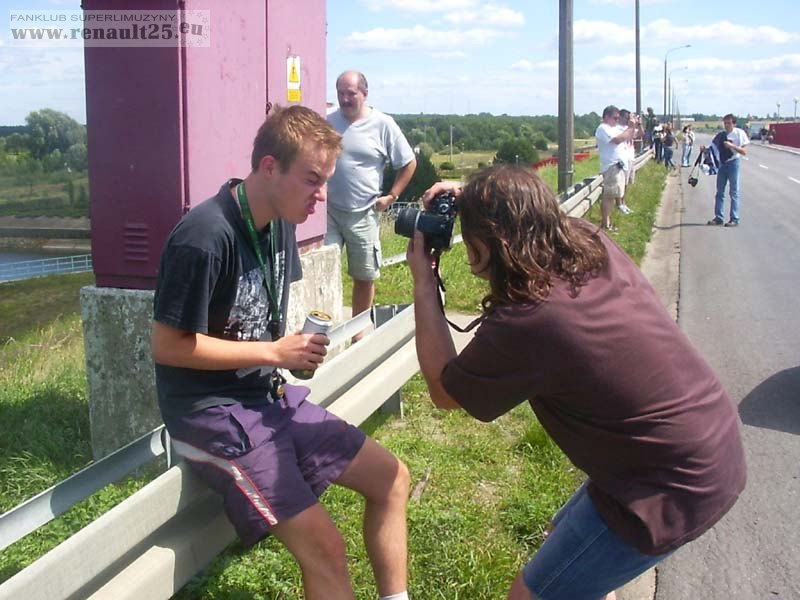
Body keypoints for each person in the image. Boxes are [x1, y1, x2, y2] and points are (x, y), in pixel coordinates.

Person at [407, 166, 746, 600]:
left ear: (489, 243)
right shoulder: (587, 241)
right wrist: (471, 194)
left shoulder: (531, 318)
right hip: (701, 437)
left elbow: (443, 391)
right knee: (560, 543)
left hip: (671, 485)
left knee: (531, 595)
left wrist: (423, 282)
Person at [151, 105, 410, 600]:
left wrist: (288, 353)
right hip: (212, 415)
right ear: (269, 167)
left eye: (326, 181)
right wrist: (273, 352)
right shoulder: (204, 237)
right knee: (327, 552)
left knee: (392, 479)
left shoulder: (279, 222)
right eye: (312, 180)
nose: (321, 196)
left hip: (264, 397)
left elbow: (255, 316)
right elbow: (167, 346)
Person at [326, 71, 417, 339]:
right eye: (340, 92)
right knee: (328, 270)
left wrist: (391, 196)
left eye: (350, 93)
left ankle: (358, 331)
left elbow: (409, 162)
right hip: (328, 211)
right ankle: (324, 333)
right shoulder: (327, 121)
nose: (344, 98)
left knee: (364, 274)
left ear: (365, 93)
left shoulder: (383, 124)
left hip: (364, 212)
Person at [595, 105, 638, 231]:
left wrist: (633, 126)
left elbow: (628, 136)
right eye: (615, 118)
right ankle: (606, 224)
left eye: (618, 118)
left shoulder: (614, 128)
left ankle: (607, 223)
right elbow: (618, 140)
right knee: (609, 195)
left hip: (618, 166)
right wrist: (630, 127)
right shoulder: (603, 128)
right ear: (606, 116)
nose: (617, 120)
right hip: (612, 166)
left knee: (614, 194)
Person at [706, 114, 749, 227]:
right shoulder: (721, 135)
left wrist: (732, 146)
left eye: (729, 123)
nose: (726, 125)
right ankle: (719, 217)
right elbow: (714, 149)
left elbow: (745, 151)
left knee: (734, 192)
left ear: (734, 124)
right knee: (719, 192)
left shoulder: (739, 134)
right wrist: (704, 150)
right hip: (722, 164)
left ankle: (734, 218)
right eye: (725, 123)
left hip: (733, 163)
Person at [616, 109, 637, 214]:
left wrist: (638, 124)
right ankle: (619, 204)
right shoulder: (618, 128)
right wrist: (631, 126)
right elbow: (624, 137)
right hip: (623, 159)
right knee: (621, 183)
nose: (629, 120)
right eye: (627, 118)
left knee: (626, 183)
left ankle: (624, 202)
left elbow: (640, 134)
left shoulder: (628, 128)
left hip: (630, 158)